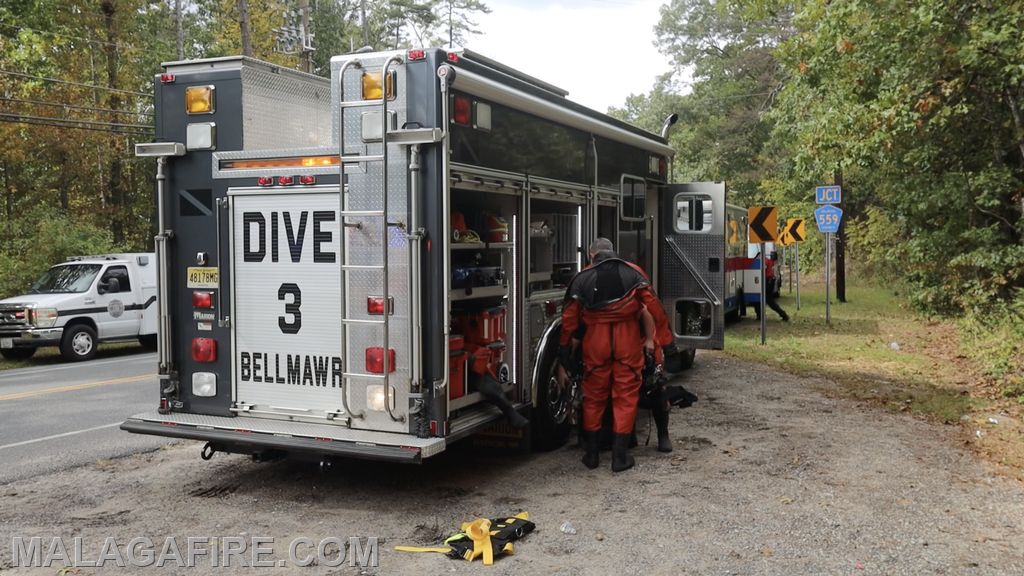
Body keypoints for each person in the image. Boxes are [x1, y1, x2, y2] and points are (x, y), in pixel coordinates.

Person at [556, 238, 682, 471]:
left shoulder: (582, 277)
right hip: (626, 340)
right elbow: (654, 309)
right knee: (625, 396)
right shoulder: (633, 273)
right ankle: (619, 458)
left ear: (592, 256)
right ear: (614, 252)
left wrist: (564, 354)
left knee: (594, 397)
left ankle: (592, 456)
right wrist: (669, 345)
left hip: (595, 341)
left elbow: (569, 320)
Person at [756, 251, 789, 322]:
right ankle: (759, 315)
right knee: (761, 300)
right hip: (769, 281)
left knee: (769, 301)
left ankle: (783, 314)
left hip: (767, 282)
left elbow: (762, 270)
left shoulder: (764, 261)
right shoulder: (768, 260)